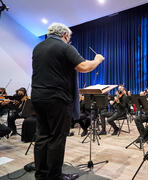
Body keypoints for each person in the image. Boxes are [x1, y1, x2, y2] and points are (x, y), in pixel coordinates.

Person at [31, 23, 104, 180]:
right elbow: (84, 66)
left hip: (37, 97)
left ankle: (41, 175)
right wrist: (97, 60)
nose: (68, 40)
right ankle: (55, 176)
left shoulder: (38, 48)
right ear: (64, 35)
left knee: (42, 136)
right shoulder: (64, 47)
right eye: (68, 37)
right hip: (57, 99)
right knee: (57, 138)